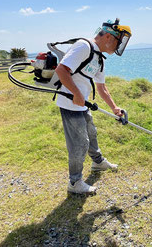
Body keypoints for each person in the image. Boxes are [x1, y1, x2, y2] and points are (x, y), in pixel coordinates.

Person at [55, 18, 132, 194]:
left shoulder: (99, 58)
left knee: (91, 133)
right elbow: (61, 70)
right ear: (108, 37)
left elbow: (102, 87)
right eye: (119, 42)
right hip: (69, 103)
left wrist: (114, 108)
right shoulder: (83, 47)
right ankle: (75, 183)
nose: (119, 46)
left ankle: (98, 163)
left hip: (82, 104)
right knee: (79, 143)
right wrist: (76, 93)